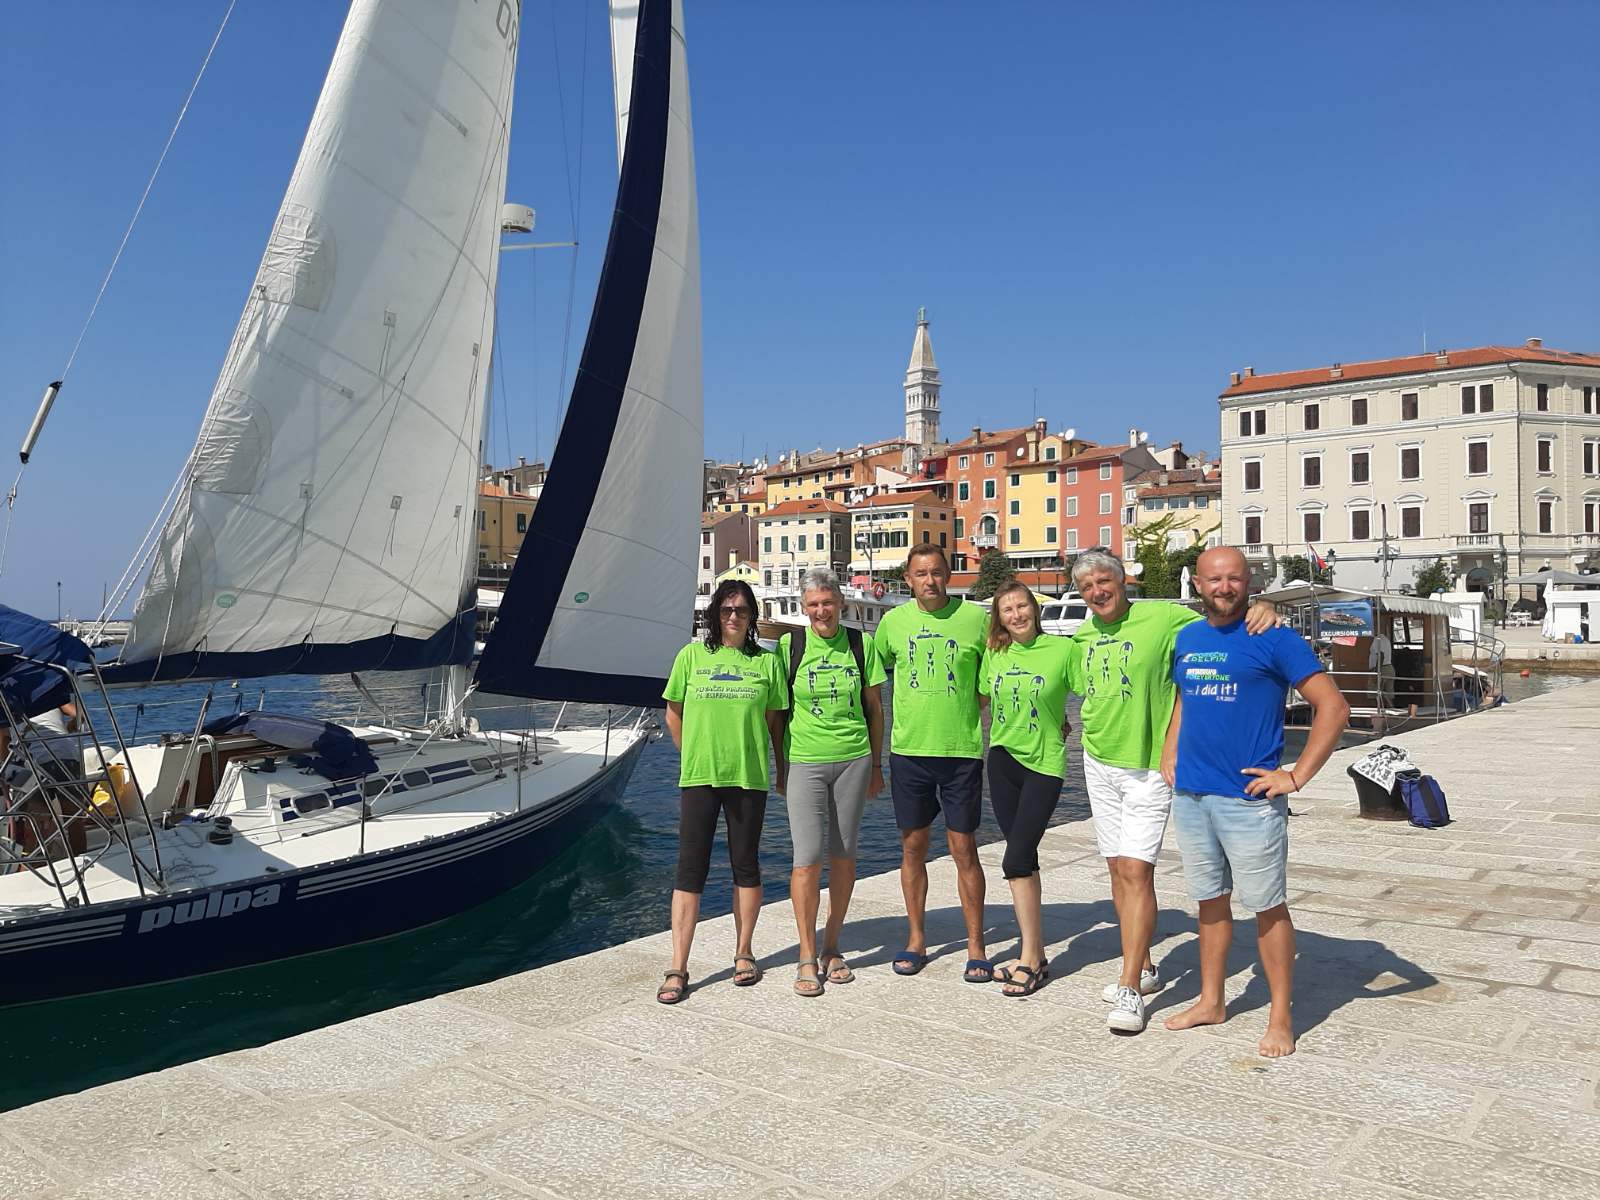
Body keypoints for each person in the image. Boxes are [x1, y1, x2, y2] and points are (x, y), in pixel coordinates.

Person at [1068, 549, 1277, 1034]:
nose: (1098, 592)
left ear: (1124, 581)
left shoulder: (1162, 617)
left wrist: (1264, 608)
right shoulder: (1081, 635)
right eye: (1087, 587)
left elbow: (1220, 615)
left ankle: (1129, 986)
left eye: (1105, 581)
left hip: (1147, 767)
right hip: (1099, 762)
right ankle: (1141, 965)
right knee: (1118, 870)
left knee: (1139, 871)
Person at [1160, 546, 1349, 1057]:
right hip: (1193, 795)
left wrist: (1296, 775)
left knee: (1267, 906)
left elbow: (1333, 706)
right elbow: (1185, 698)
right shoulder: (1188, 637)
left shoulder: (1274, 636)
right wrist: (1170, 748)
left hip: (1248, 800)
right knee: (1209, 902)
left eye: (1234, 579)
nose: (1224, 588)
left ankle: (1281, 1016)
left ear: (1249, 583)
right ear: (1197, 584)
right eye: (1214, 579)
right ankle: (1212, 1001)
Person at [658, 579, 788, 1004]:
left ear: (752, 617)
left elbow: (775, 726)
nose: (734, 616)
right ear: (716, 613)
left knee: (746, 866)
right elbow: (673, 713)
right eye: (728, 609)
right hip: (699, 777)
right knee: (689, 870)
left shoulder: (767, 664)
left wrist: (782, 771)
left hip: (748, 777)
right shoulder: (691, 656)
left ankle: (744, 953)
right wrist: (691, 754)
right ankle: (678, 966)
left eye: (743, 610)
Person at [874, 543, 993, 981]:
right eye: (921, 573)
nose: (929, 580)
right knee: (913, 848)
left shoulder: (974, 620)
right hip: (909, 752)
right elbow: (873, 677)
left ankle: (976, 944)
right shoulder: (892, 623)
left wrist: (968, 706)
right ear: (908, 579)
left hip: (960, 752)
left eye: (937, 572)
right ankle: (916, 938)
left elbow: (995, 674)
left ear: (949, 575)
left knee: (964, 849)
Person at [775, 569, 887, 996]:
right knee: (806, 859)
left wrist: (877, 765)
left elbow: (875, 710)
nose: (821, 611)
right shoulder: (791, 647)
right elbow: (778, 715)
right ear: (804, 609)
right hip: (805, 760)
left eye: (828, 602)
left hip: (854, 760)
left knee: (844, 855)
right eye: (813, 604)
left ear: (840, 603)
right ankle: (806, 952)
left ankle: (833, 945)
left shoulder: (861, 645)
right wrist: (781, 769)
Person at [979, 581, 1073, 997]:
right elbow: (979, 700)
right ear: (998, 618)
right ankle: (1031, 955)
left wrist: (1067, 724)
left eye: (1021, 607)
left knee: (1015, 858)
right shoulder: (995, 655)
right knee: (1025, 859)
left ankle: (1031, 959)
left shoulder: (1063, 652)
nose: (1015, 615)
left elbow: (1096, 694)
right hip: (1002, 761)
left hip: (1044, 764)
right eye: (1007, 610)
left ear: (1034, 610)